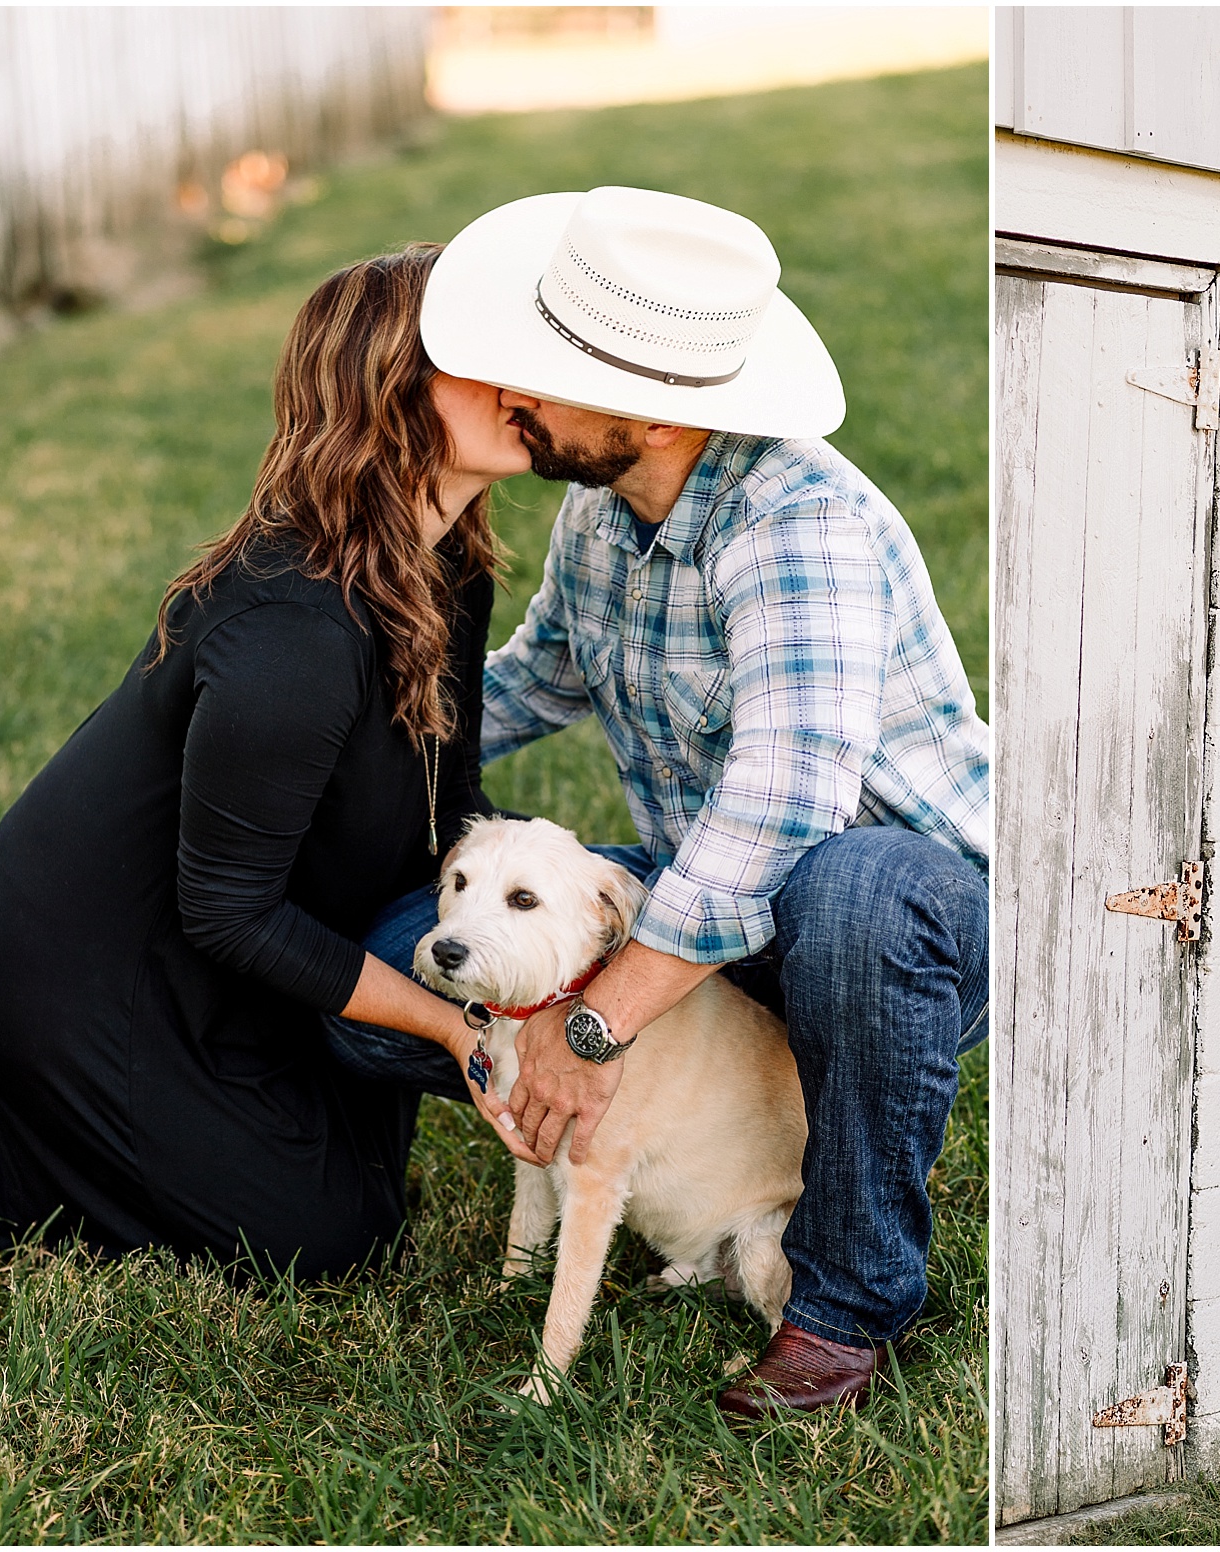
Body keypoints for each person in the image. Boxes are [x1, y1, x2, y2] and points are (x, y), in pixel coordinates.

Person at [330, 185, 991, 1417]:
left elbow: (788, 809)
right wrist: (336, 732)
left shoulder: (799, 523)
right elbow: (526, 684)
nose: (508, 394)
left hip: (896, 925)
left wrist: (594, 1028)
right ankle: (625, 1143)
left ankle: (842, 1306)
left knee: (854, 892)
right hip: (712, 893)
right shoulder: (602, 509)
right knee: (382, 966)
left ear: (648, 406)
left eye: (541, 374)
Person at [0, 245, 530, 1279]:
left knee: (361, 1180)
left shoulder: (446, 561)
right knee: (332, 1242)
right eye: (479, 358)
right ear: (389, 392)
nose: (521, 381)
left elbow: (448, 808)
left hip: (241, 944)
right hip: (99, 983)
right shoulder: (293, 627)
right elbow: (224, 909)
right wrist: (453, 1027)